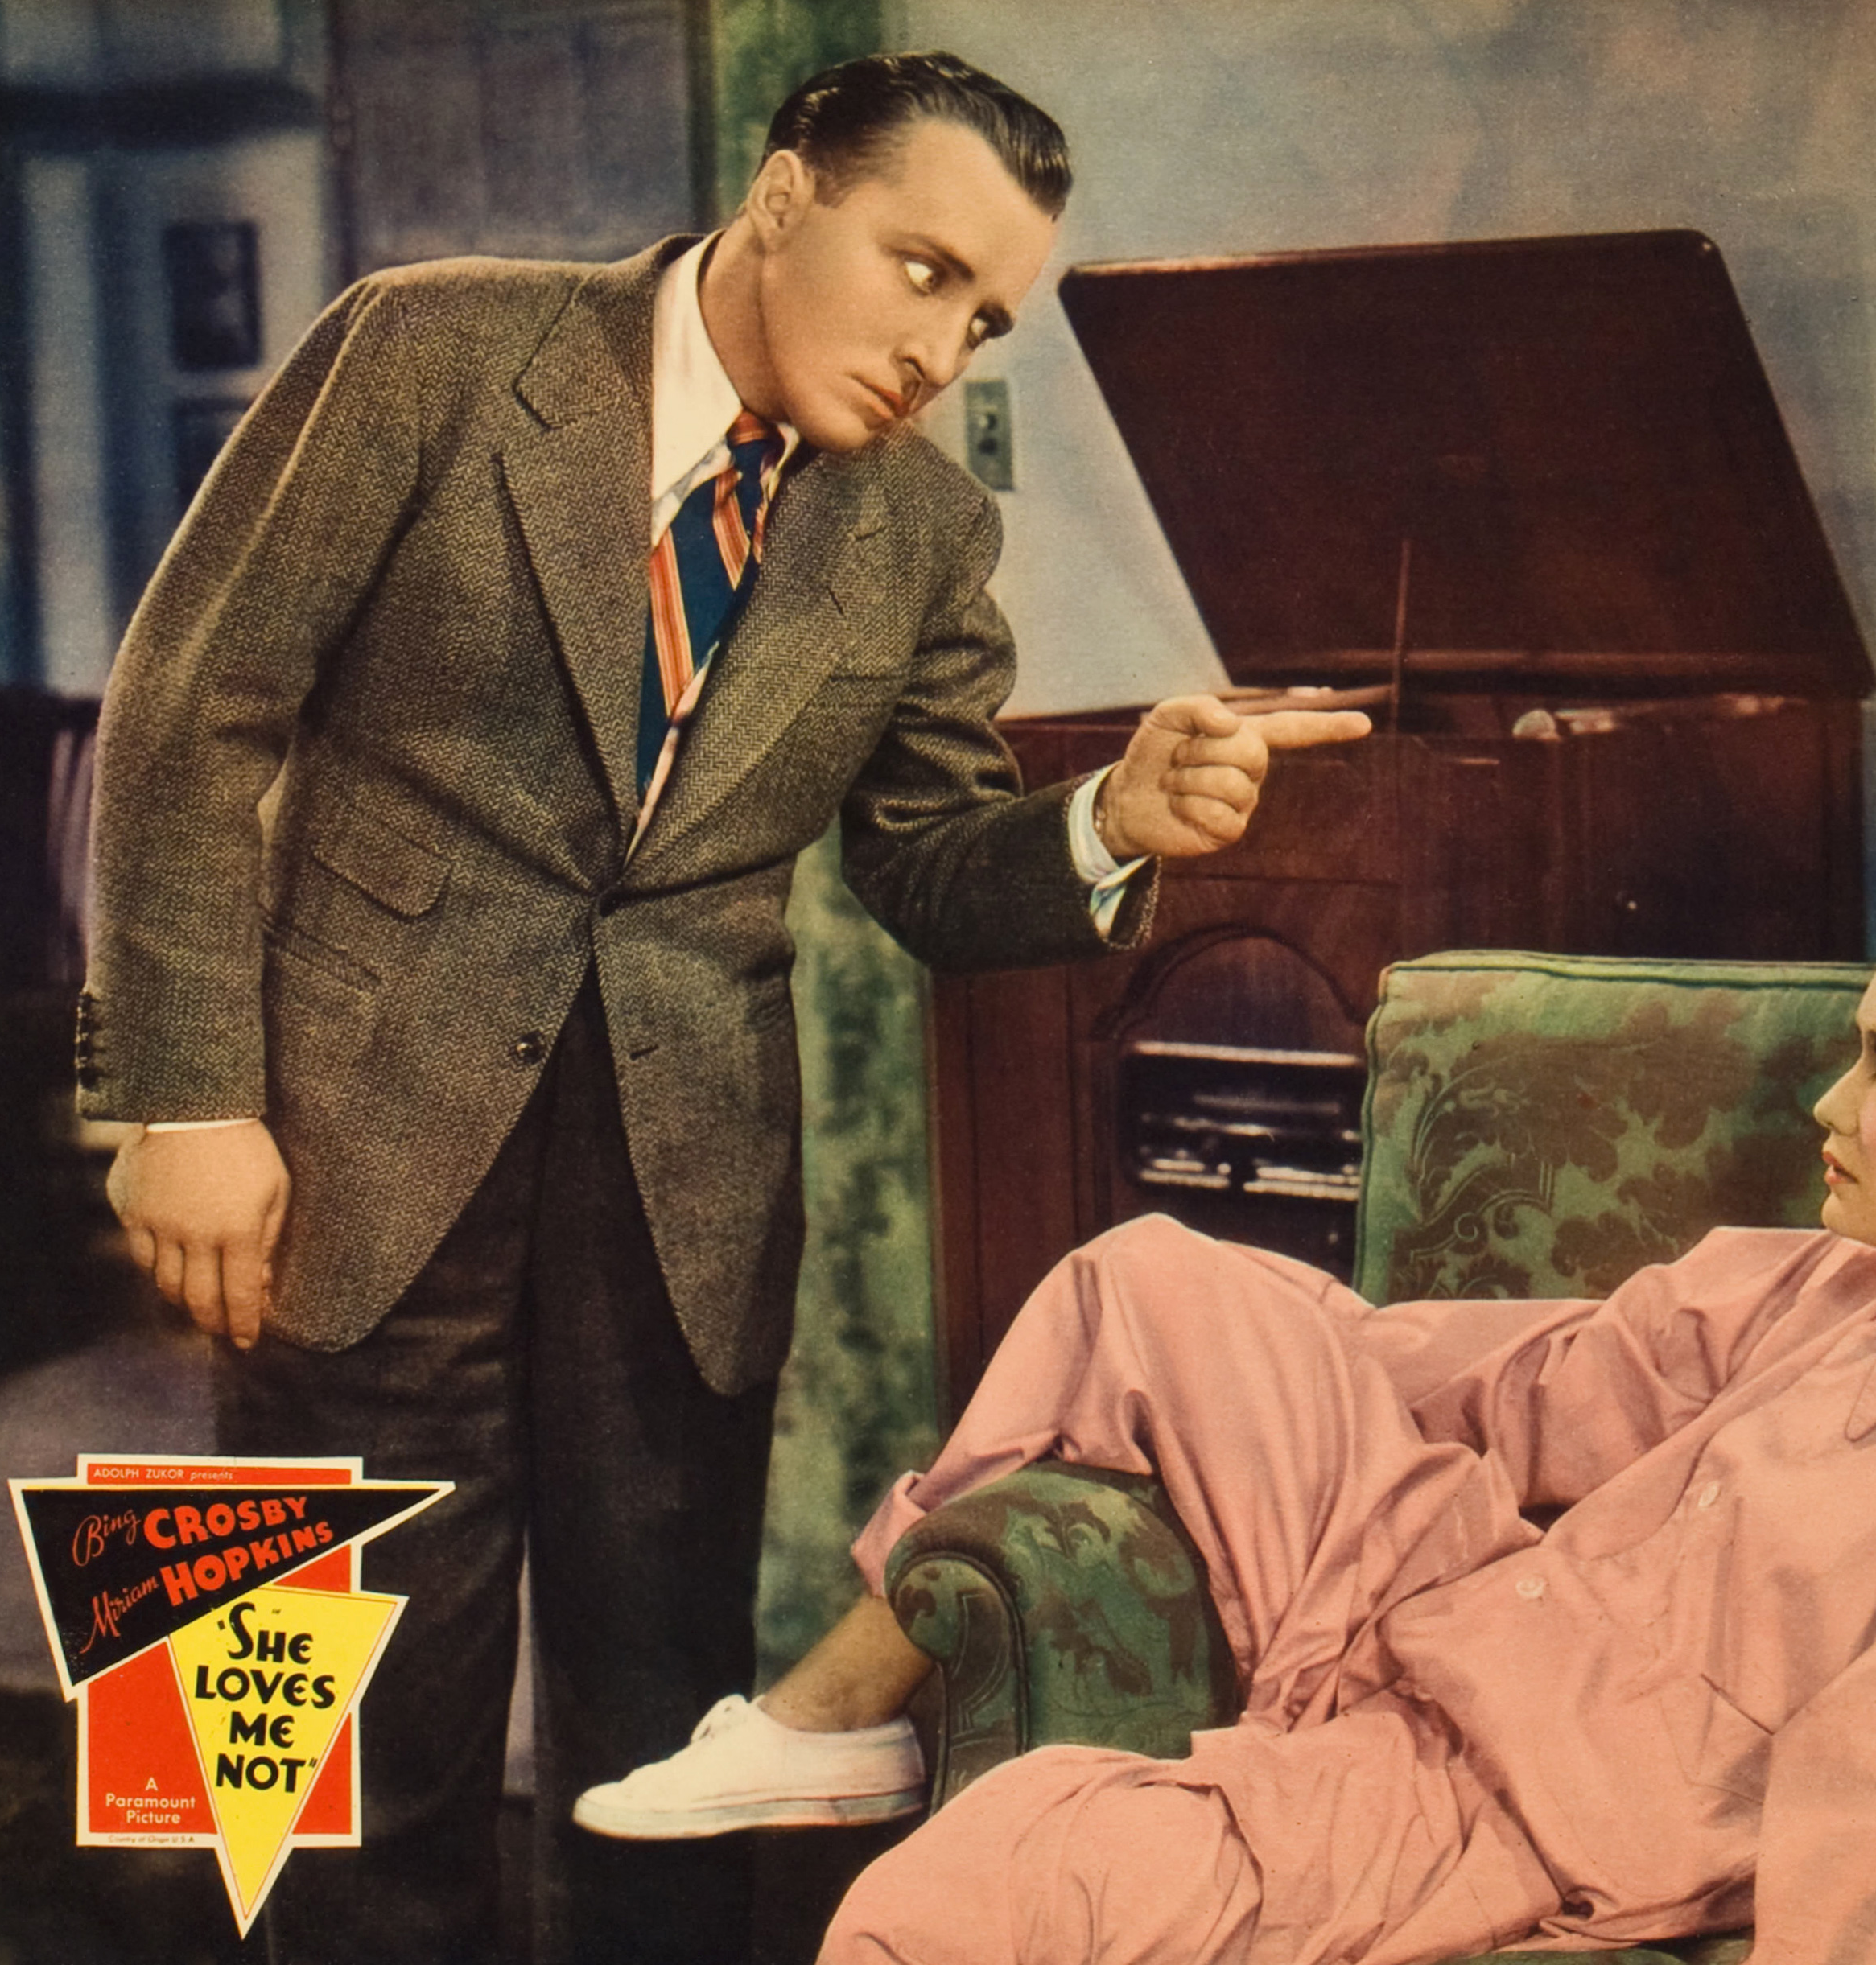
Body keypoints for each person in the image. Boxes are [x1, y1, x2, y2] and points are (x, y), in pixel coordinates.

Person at [77, 49, 1367, 1965]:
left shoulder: (920, 533)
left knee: (666, 1762)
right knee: (295, 1750)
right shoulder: (431, 349)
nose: (940, 348)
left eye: (984, 318)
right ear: (781, 195)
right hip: (345, 1141)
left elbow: (927, 864)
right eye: (920, 268)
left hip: (681, 1200)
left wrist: (1108, 819)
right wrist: (182, 1099)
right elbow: (189, 711)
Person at [579, 892, 1876, 1965]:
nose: (1829, 1105)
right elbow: (1538, 1387)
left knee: (963, 1889)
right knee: (1150, 1278)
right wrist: (1300, 1362)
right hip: (1459, 1609)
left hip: (1518, 1799)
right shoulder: (1832, 1284)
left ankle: (849, 1735)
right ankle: (831, 1721)